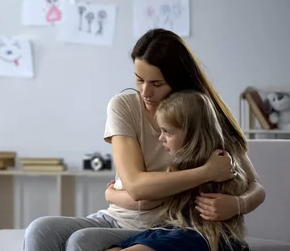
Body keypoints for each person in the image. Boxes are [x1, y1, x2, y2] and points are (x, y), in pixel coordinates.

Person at [23, 29, 265, 251]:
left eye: (156, 84)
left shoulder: (201, 114)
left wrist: (236, 205)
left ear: (178, 81)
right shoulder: (124, 106)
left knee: (81, 241)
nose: (145, 92)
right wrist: (207, 171)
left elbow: (255, 186)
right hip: (116, 217)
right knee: (40, 229)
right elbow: (137, 187)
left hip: (164, 225)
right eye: (139, 79)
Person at [107, 90, 250, 251]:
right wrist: (111, 194)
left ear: (192, 133)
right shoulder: (177, 168)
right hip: (171, 230)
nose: (161, 138)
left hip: (203, 236)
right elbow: (149, 197)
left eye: (167, 132)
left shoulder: (222, 166)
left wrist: (110, 194)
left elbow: (146, 200)